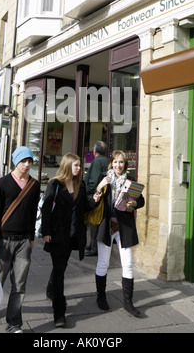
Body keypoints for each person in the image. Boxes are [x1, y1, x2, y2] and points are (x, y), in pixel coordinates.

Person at [41, 153, 101, 328]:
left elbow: (84, 208)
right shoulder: (55, 184)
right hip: (57, 235)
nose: (79, 168)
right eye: (76, 165)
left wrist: (95, 200)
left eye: (80, 166)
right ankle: (59, 313)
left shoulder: (79, 184)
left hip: (73, 236)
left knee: (61, 267)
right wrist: (46, 231)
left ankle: (50, 288)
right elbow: (46, 208)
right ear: (67, 166)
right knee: (60, 272)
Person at [0, 146, 40, 333]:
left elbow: (33, 214)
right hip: (3, 240)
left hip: (24, 242)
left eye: (29, 161)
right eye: (23, 161)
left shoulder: (34, 185)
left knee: (19, 283)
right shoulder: (3, 183)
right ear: (15, 161)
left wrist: (31, 237)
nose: (26, 165)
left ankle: (14, 324)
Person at [95, 150, 145, 317]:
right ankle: (101, 297)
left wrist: (134, 202)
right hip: (106, 225)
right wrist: (100, 186)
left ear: (125, 164)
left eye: (121, 162)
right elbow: (93, 197)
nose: (118, 165)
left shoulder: (130, 180)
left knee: (128, 263)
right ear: (111, 163)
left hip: (124, 227)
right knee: (103, 262)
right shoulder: (104, 177)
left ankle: (128, 302)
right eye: (115, 162)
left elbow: (141, 200)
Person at [84, 141, 109, 256]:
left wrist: (89, 193)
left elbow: (93, 180)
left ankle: (94, 247)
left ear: (95, 151)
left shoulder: (97, 161)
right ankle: (92, 245)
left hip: (96, 195)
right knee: (98, 221)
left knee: (93, 221)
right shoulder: (107, 161)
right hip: (104, 196)